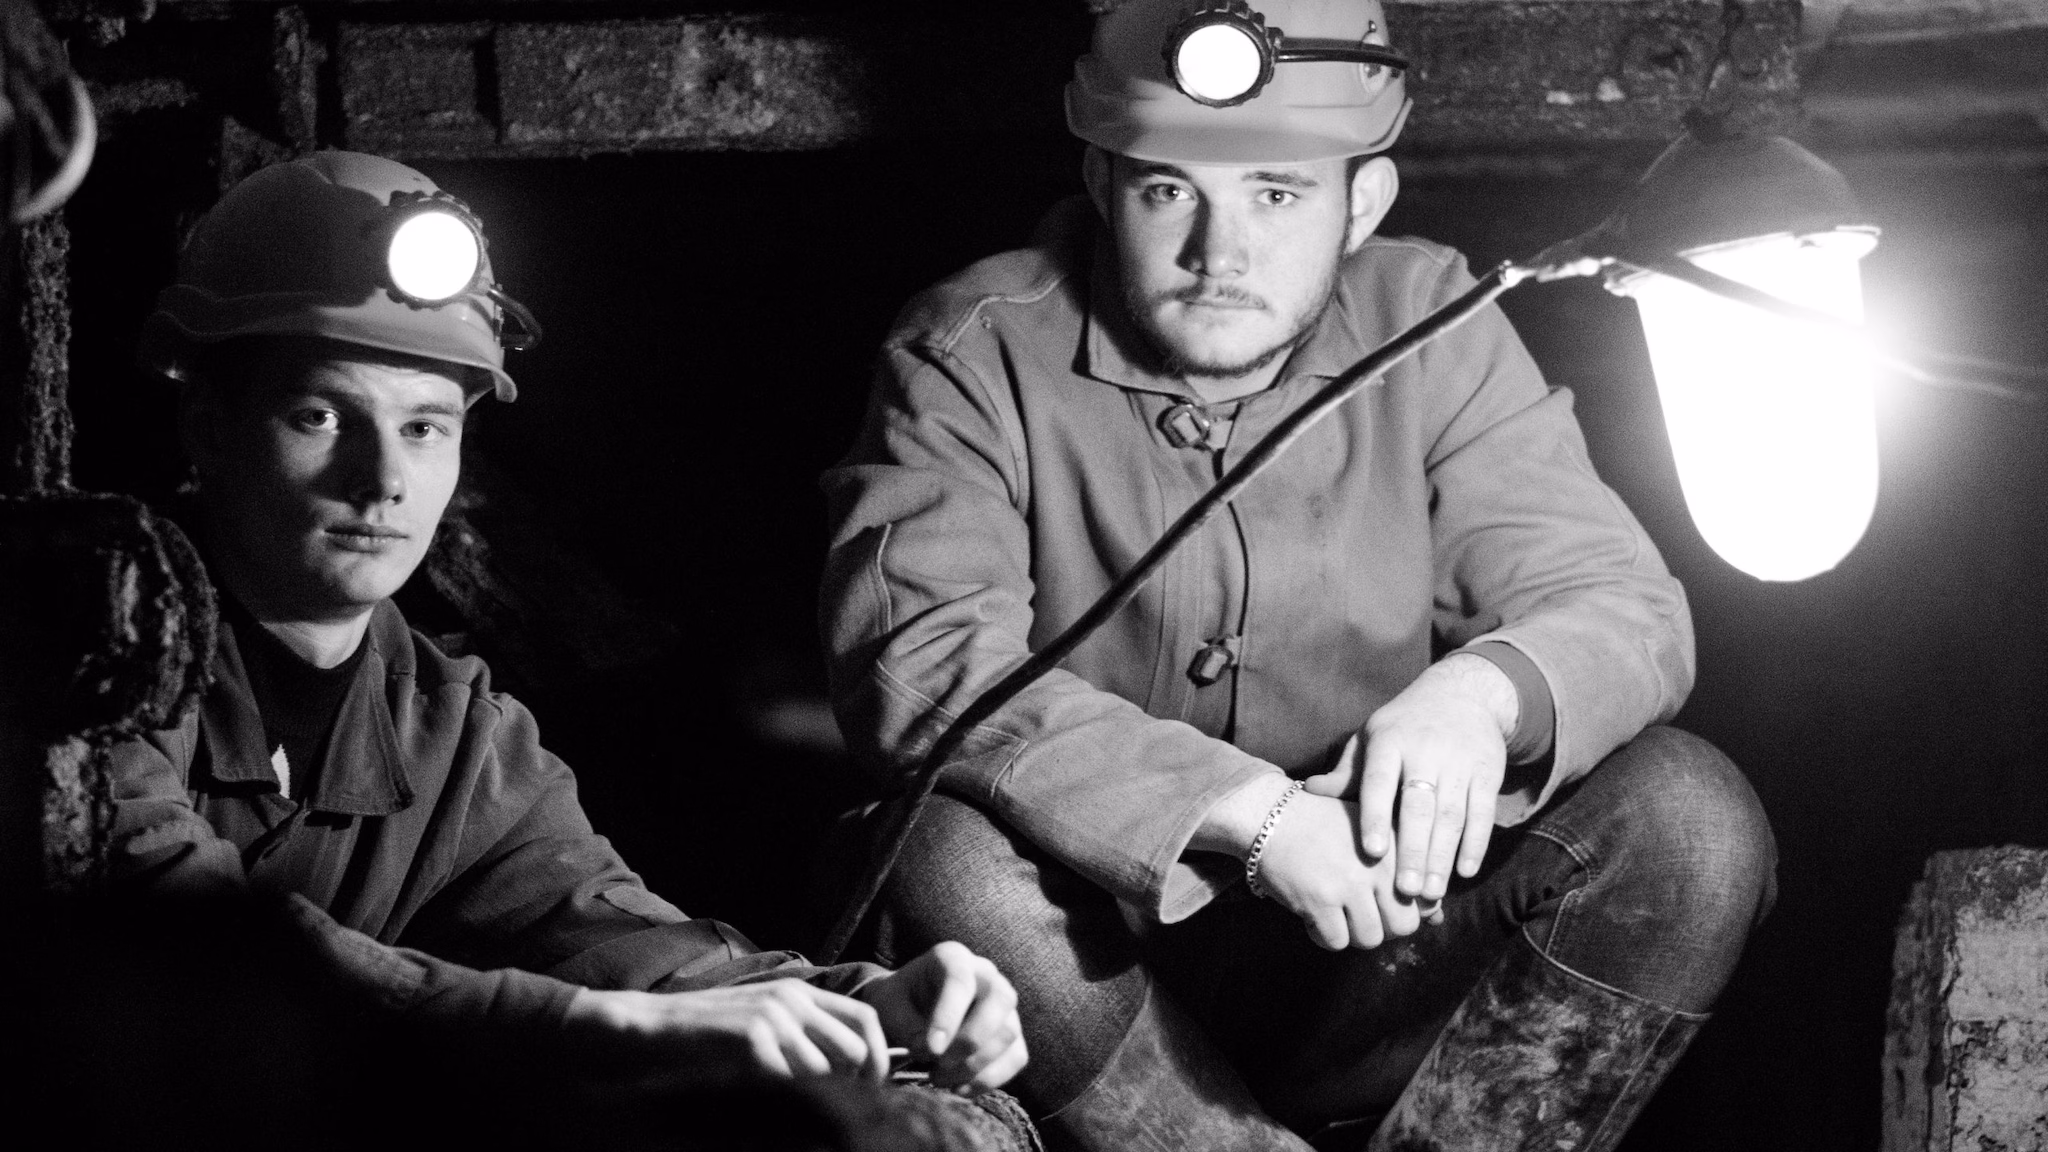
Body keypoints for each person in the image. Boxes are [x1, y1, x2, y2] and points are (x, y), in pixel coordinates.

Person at [817, 2, 1776, 1149]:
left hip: (1375, 934)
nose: (1217, 255)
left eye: (1275, 194)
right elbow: (921, 662)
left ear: (1360, 202)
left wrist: (1479, 697)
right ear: (1100, 179)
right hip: (1092, 970)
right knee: (940, 851)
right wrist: (1252, 815)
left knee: (1689, 818)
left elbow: (1619, 601)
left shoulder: (1434, 320)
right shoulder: (969, 349)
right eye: (1166, 190)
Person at [103, 152, 1028, 1136]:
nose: (382, 480)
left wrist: (861, 1003)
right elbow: (200, 948)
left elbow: (608, 936)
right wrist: (591, 1026)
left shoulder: (450, 734)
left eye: (424, 427)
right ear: (208, 427)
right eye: (320, 415)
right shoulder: (94, 657)